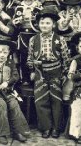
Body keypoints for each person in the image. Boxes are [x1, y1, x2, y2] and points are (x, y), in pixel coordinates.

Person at [27, 9, 70, 139]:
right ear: (38, 25)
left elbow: (66, 59)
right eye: (42, 23)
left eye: (47, 23)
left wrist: (64, 75)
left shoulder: (60, 39)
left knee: (56, 101)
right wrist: (32, 69)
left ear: (53, 25)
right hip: (40, 72)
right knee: (41, 101)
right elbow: (29, 58)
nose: (44, 25)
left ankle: (56, 128)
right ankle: (46, 128)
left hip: (56, 72)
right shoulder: (34, 40)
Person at [0, 39, 29, 145]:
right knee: (1, 104)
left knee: (13, 104)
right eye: (0, 52)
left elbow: (15, 76)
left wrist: (7, 83)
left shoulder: (10, 63)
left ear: (8, 53)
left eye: (5, 52)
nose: (2, 55)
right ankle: (1, 133)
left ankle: (17, 131)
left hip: (7, 92)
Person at [9, 0, 43, 84]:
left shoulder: (38, 9)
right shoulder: (19, 8)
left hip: (35, 35)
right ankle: (25, 79)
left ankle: (37, 77)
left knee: (35, 56)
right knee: (23, 57)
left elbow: (41, 23)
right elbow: (14, 22)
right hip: (23, 36)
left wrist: (34, 19)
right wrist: (18, 21)